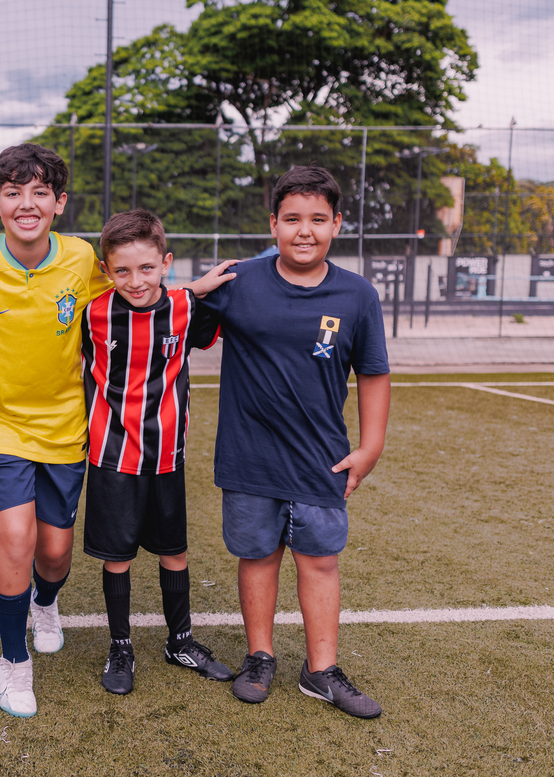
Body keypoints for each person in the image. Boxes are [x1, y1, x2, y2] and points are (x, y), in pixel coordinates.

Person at [198, 165, 390, 718]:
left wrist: (371, 446)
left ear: (336, 225)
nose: (304, 231)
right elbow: (170, 324)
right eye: (292, 219)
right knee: (257, 556)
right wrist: (192, 290)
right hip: (248, 456)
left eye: (318, 220)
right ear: (274, 224)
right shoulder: (239, 282)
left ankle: (320, 670)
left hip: (321, 459)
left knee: (320, 560)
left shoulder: (357, 295)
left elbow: (374, 374)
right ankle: (260, 657)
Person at [0, 143, 112, 717]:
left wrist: (192, 295)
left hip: (64, 422)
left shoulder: (83, 259)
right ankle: (14, 662)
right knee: (14, 540)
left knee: (54, 552)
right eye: (13, 193)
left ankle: (46, 601)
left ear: (59, 203)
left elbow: (132, 300)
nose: (26, 204)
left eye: (39, 193)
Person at [81, 209, 237, 694]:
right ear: (106, 272)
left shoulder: (185, 307)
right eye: (122, 270)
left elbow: (221, 303)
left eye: (147, 268)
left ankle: (180, 640)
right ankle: (121, 645)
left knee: (175, 550)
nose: (136, 280)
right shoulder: (92, 313)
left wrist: (200, 287)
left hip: (168, 454)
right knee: (118, 557)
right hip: (112, 456)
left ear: (165, 263)